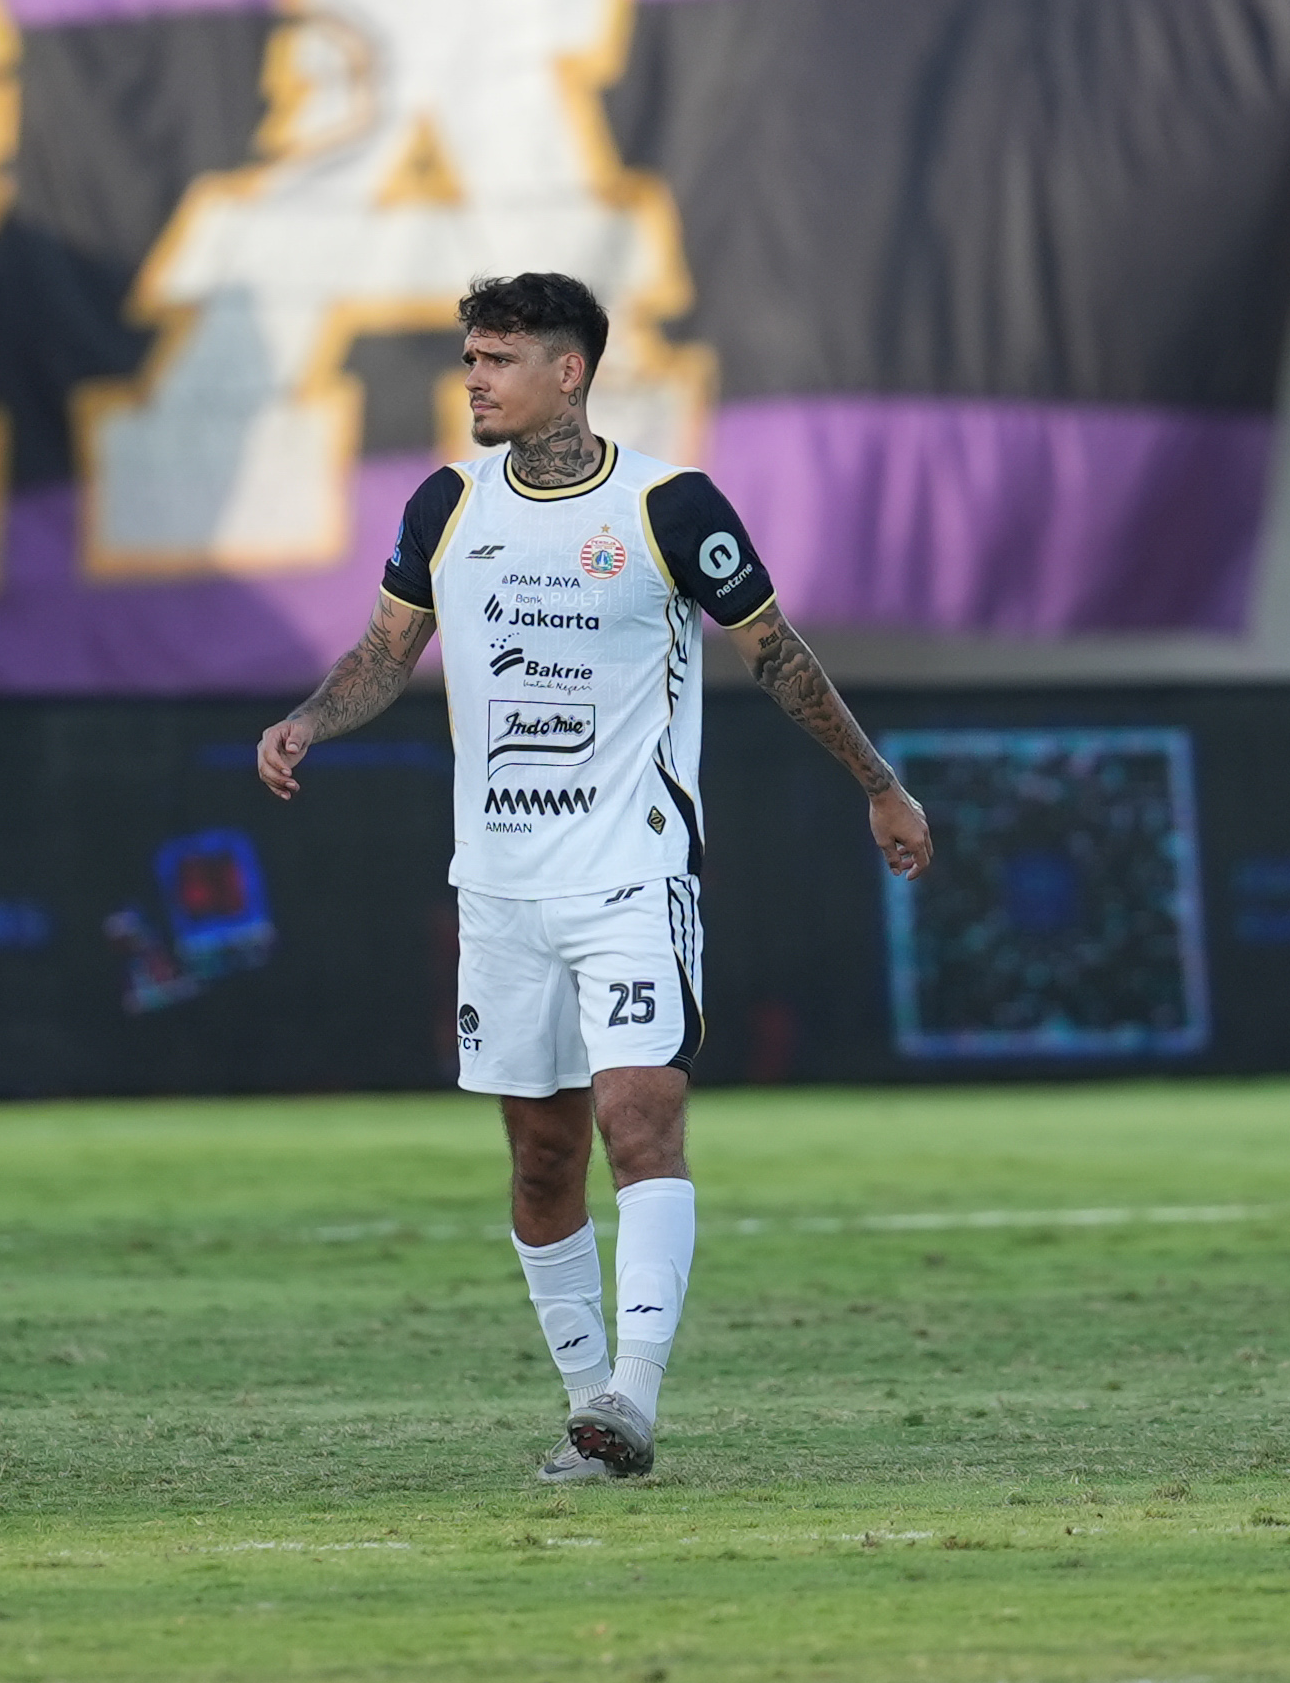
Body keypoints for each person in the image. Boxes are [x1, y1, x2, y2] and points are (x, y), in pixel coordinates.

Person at [249, 274, 934, 1486]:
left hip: (632, 873)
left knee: (638, 1119)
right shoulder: (447, 503)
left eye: (497, 359)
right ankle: (591, 1415)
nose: (473, 378)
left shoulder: (671, 505)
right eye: (469, 357)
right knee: (543, 1157)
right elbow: (383, 650)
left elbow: (776, 655)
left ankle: (637, 1390)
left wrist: (877, 779)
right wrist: (308, 720)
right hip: (502, 888)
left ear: (569, 370)